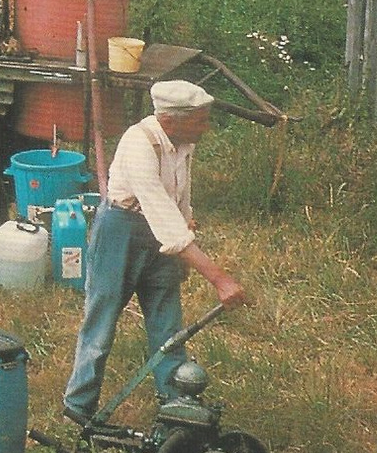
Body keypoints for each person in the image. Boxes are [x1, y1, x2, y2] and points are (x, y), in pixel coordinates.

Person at [62, 79, 246, 427]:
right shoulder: (139, 144)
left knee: (168, 326)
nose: (207, 128)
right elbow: (160, 213)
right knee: (100, 324)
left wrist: (186, 234)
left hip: (163, 231)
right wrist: (219, 278)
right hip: (121, 229)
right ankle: (78, 406)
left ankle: (176, 408)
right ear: (170, 120)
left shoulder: (182, 141)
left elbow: (179, 200)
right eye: (201, 121)